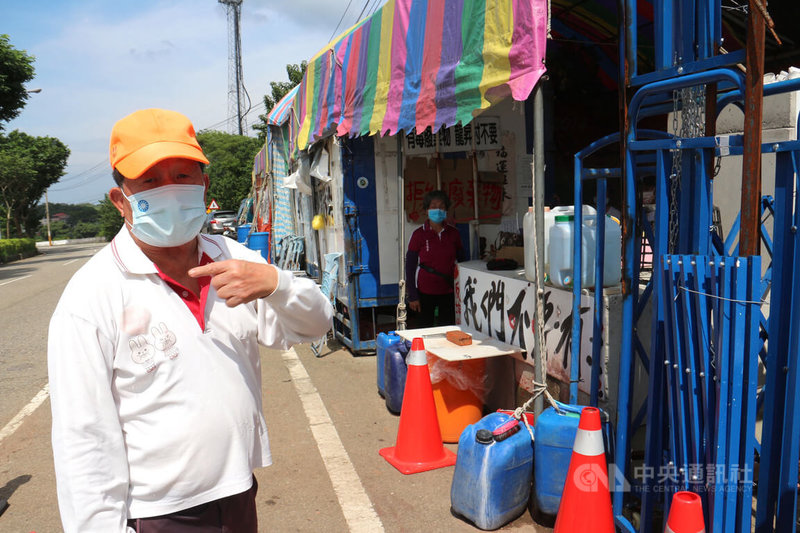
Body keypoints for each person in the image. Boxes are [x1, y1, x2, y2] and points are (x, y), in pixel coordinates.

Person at [47, 108, 333, 533]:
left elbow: (317, 324)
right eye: (150, 181)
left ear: (205, 186)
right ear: (120, 199)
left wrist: (277, 283)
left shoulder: (234, 259)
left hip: (238, 493)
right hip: (159, 513)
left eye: (183, 175)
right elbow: (83, 437)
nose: (171, 191)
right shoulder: (92, 294)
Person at [406, 190, 466, 328]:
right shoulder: (418, 234)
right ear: (427, 210)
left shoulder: (454, 233)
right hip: (425, 292)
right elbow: (410, 266)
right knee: (424, 328)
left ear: (446, 210)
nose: (438, 210)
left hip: (449, 291)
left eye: (441, 206)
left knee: (449, 328)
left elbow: (463, 262)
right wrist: (413, 296)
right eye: (433, 206)